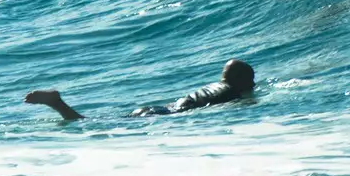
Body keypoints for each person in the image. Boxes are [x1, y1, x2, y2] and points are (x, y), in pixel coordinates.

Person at [25, 59, 256, 123]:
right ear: (245, 82)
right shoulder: (233, 93)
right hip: (169, 115)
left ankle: (58, 104)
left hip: (161, 108)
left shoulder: (214, 85)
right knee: (91, 124)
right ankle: (57, 103)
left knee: (103, 120)